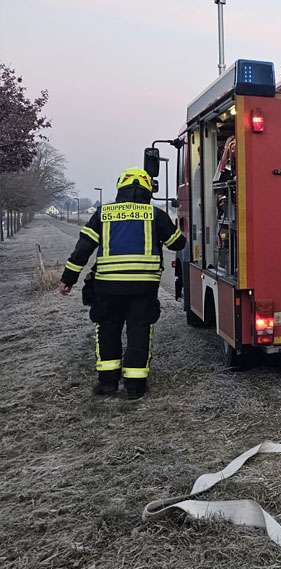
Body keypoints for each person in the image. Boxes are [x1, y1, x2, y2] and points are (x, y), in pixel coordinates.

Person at [59, 168, 186, 399]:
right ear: (148, 189)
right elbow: (177, 244)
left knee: (107, 330)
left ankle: (107, 383)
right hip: (143, 288)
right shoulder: (155, 215)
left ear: (121, 188)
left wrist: (68, 280)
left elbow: (83, 250)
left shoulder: (103, 213)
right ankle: (135, 387)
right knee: (139, 331)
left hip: (107, 287)